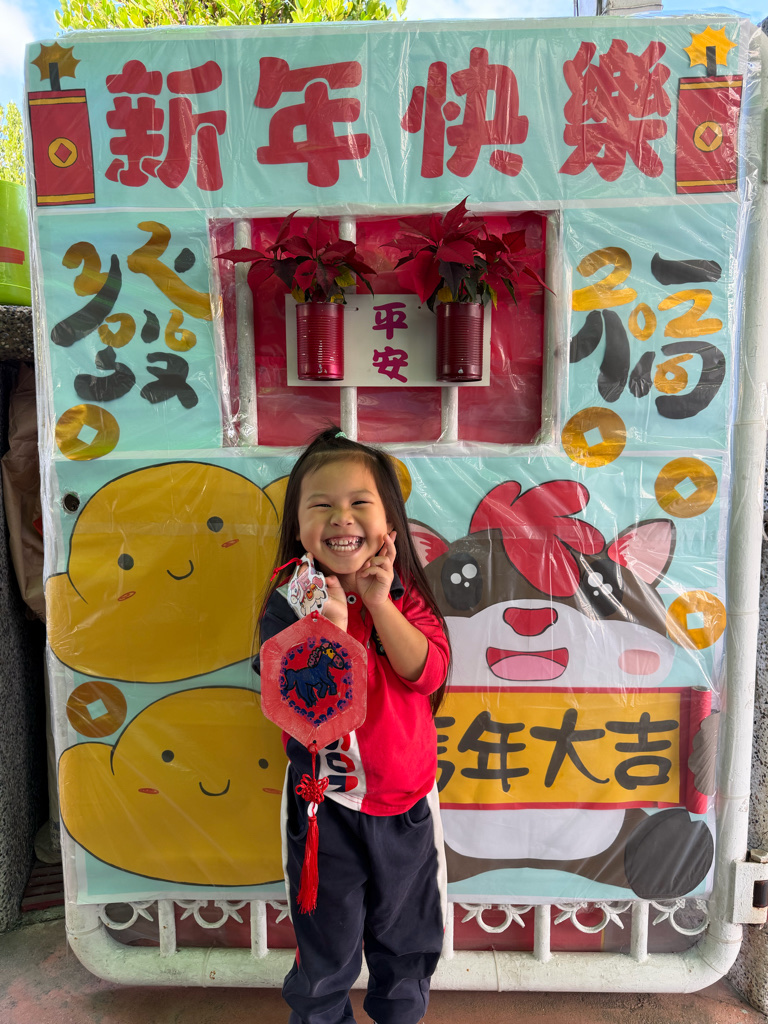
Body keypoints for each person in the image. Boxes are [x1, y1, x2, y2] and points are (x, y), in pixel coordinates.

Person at [257, 426, 451, 1024]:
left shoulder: (406, 594)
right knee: (326, 952)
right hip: (326, 811)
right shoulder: (289, 600)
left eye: (359, 502)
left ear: (389, 524)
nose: (341, 517)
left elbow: (428, 674)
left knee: (407, 942)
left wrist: (380, 603)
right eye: (321, 505)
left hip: (406, 808)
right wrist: (331, 629)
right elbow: (301, 708)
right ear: (298, 529)